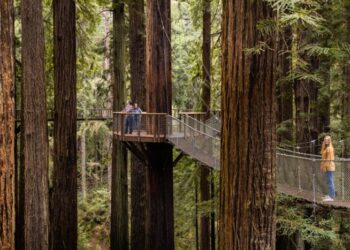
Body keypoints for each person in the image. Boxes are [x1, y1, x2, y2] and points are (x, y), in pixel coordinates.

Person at [320, 135, 336, 201]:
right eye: (325, 139)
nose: (326, 141)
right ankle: (330, 195)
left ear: (329, 141)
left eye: (327, 140)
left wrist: (323, 167)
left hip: (329, 167)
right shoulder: (326, 147)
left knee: (330, 181)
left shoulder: (329, 148)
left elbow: (328, 159)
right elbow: (323, 155)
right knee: (329, 181)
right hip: (328, 166)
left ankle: (331, 197)